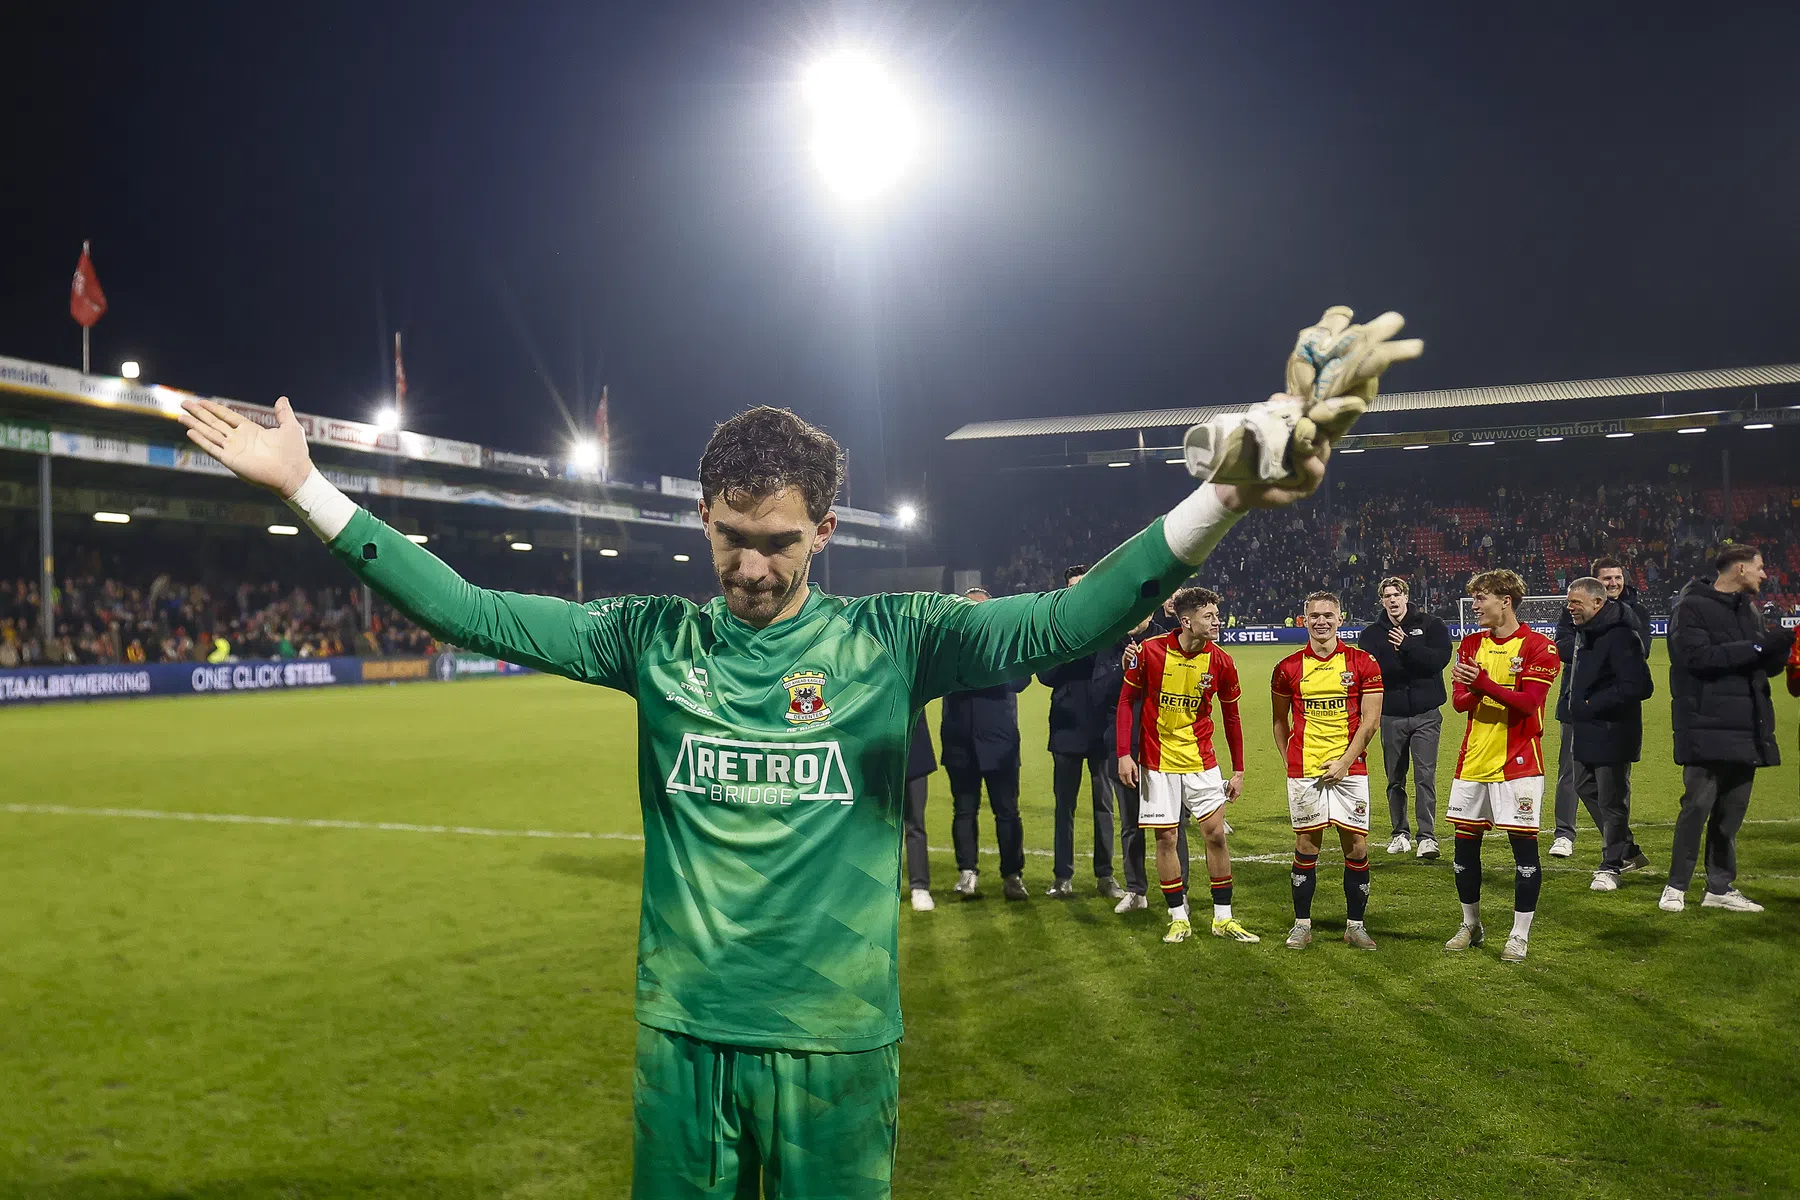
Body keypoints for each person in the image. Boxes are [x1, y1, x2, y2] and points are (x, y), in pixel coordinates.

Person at [178, 323, 1378, 1196]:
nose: (753, 569)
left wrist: (1219, 500)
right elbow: (468, 608)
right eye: (734, 541)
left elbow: (1064, 622)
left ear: (827, 530)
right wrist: (312, 490)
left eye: (781, 545)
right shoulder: (649, 640)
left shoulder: (892, 639)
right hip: (683, 1039)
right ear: (703, 519)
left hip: (836, 1043)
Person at [1115, 586, 1258, 944]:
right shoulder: (1150, 652)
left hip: (1201, 762)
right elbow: (1126, 701)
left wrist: (1238, 770)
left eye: (1216, 614)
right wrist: (1123, 753)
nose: (1216, 621)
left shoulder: (1222, 661)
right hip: (1158, 762)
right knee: (1167, 838)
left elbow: (1232, 717)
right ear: (1186, 621)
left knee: (1215, 836)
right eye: (1208, 616)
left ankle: (1222, 918)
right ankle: (1178, 917)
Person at [1660, 545, 1797, 915]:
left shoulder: (1748, 610)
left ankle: (1720, 887)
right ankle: (1676, 886)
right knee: (1696, 807)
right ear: (1739, 568)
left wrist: (1778, 651)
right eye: (1759, 567)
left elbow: (1760, 669)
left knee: (1730, 815)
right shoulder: (1691, 607)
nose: (1764, 575)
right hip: (1706, 724)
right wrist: (1757, 645)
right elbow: (1696, 659)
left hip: (1746, 725)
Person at [1443, 569, 1561, 963]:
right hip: (1473, 761)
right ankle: (1470, 924)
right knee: (1464, 850)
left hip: (1519, 764)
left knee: (1524, 853)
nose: (1474, 606)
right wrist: (1477, 686)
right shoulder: (1471, 643)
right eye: (1473, 598)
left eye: (1481, 598)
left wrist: (1483, 684)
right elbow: (1459, 702)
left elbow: (1530, 703)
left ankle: (1519, 934)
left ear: (1505, 600)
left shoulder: (1540, 647)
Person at [1271, 591, 1384, 951]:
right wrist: (1290, 760)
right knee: (1306, 845)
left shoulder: (1363, 662)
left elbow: (1371, 722)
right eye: (1314, 616)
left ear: (1340, 619)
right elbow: (1278, 720)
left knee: (1357, 847)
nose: (1321, 621)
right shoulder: (1287, 668)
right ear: (1303, 620)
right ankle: (1302, 925)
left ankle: (1355, 926)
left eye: (1328, 615)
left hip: (1351, 770)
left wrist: (1345, 762)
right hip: (1305, 770)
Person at [1550, 555, 1651, 860]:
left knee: (1613, 786)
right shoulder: (1574, 612)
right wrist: (1588, 637)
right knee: (1575, 777)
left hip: (1611, 711)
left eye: (1617, 578)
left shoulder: (1632, 616)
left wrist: (1592, 645)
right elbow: (1563, 648)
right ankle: (1565, 834)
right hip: (1575, 703)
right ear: (1596, 582)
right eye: (1607, 578)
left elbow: (1640, 656)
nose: (1613, 583)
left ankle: (1617, 853)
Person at [1035, 564, 1124, 900]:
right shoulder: (1056, 631)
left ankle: (1105, 876)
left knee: (1104, 806)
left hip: (1102, 730)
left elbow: (1117, 672)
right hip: (1066, 730)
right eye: (1072, 586)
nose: (1078, 591)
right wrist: (1070, 645)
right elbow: (1045, 675)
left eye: (1083, 586)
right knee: (1064, 807)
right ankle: (1062, 877)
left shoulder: (1108, 627)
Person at [940, 587, 1034, 901]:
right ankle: (967, 873)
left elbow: (1021, 680)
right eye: (970, 610)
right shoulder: (948, 645)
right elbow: (939, 679)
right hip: (959, 741)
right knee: (963, 810)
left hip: (1000, 742)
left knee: (1007, 812)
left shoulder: (1005, 644)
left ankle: (1012, 875)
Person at [1356, 575, 1451, 860]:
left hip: (1426, 714)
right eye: (1387, 596)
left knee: (1425, 777)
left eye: (1397, 594)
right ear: (1381, 600)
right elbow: (1375, 673)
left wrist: (1407, 646)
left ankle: (1427, 837)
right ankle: (1400, 833)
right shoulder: (1372, 634)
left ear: (1406, 596)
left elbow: (1438, 662)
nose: (1393, 600)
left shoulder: (1432, 626)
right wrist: (1404, 659)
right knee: (1394, 778)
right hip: (1392, 715)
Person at [1104, 614, 1192, 912]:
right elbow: (1100, 695)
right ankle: (1136, 891)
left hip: (1166, 749)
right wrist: (1123, 668)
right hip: (1125, 747)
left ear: (1152, 612)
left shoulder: (1170, 643)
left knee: (1173, 826)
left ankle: (1180, 894)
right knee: (1131, 824)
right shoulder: (1110, 642)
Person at [903, 713, 937, 911]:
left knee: (915, 823)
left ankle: (920, 887)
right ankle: (876, 886)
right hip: (876, 753)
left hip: (913, 749)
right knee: (876, 827)